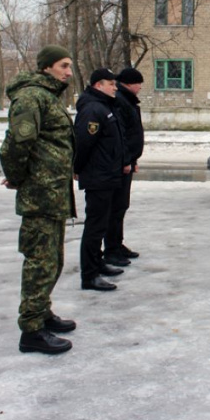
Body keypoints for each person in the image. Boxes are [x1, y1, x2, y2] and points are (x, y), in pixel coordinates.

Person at [0, 44, 77, 355]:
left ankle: (42, 312)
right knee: (40, 262)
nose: (68, 72)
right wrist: (17, 177)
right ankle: (31, 330)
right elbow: (17, 143)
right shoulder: (31, 97)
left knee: (53, 260)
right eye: (63, 66)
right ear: (46, 67)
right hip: (40, 195)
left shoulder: (47, 96)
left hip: (53, 192)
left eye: (69, 66)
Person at [75, 68, 129, 291]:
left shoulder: (105, 106)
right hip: (98, 177)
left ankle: (98, 264)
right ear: (99, 85)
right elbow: (83, 144)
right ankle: (89, 275)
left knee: (102, 224)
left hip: (108, 175)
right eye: (111, 83)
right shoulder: (93, 109)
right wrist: (77, 168)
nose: (115, 87)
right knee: (95, 227)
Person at [103, 68, 145, 266]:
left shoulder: (126, 100)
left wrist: (132, 160)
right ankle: (111, 249)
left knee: (121, 206)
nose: (140, 87)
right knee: (116, 208)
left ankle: (116, 244)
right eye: (138, 83)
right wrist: (127, 160)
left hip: (126, 163)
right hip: (120, 165)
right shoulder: (120, 100)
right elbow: (121, 136)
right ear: (129, 83)